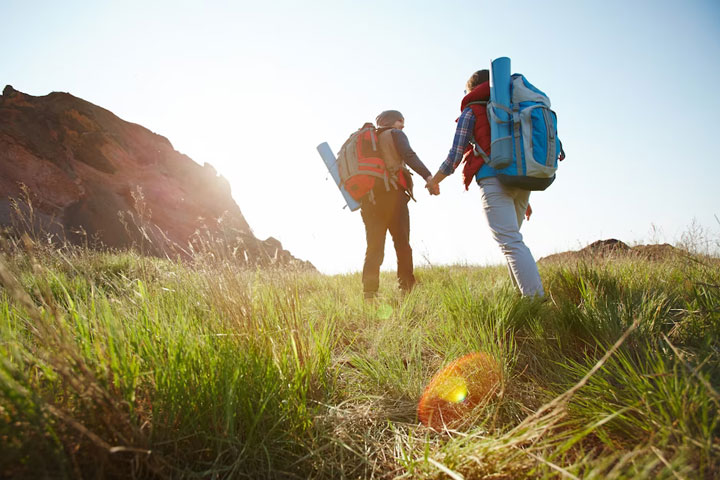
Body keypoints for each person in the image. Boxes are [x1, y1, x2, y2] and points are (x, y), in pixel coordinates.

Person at [426, 70, 544, 297]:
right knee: (512, 242)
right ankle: (522, 298)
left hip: (494, 180)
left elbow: (455, 156)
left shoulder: (472, 110)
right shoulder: (513, 109)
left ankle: (535, 300)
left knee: (510, 242)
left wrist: (434, 181)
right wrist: (524, 197)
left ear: (472, 90)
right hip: (522, 182)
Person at [360, 110, 437, 299]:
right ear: (395, 121)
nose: (403, 125)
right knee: (402, 243)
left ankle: (369, 293)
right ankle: (406, 288)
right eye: (401, 122)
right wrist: (428, 176)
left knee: (374, 247)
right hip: (393, 197)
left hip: (369, 200)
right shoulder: (395, 134)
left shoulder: (368, 141)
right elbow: (409, 155)